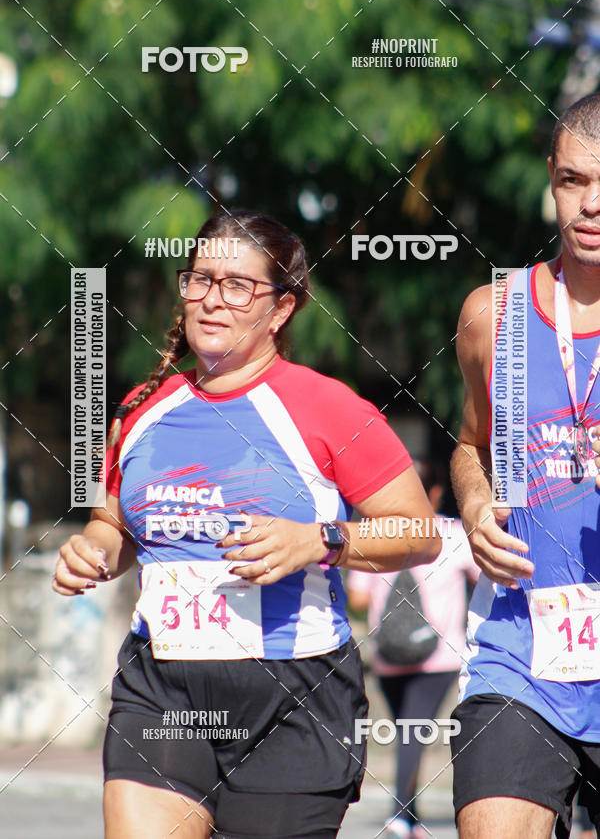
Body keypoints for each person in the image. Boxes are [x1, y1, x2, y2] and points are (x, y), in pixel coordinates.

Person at [52, 209, 440, 839]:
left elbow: (419, 533)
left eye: (238, 286)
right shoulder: (143, 407)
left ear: (280, 309)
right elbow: (112, 526)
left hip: (294, 696)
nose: (212, 300)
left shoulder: (329, 407)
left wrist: (319, 541)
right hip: (162, 685)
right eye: (201, 279)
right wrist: (90, 551)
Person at [450, 92, 600, 839]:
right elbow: (470, 445)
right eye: (574, 180)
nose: (591, 204)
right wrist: (476, 505)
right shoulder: (494, 314)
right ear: (551, 178)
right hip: (522, 655)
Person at [347, 460, 478, 839]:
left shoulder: (377, 532)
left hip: (388, 653)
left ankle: (407, 814)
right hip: (440, 656)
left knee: (406, 730)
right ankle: (403, 816)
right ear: (435, 493)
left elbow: (357, 597)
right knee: (412, 732)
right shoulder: (452, 534)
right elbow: (484, 576)